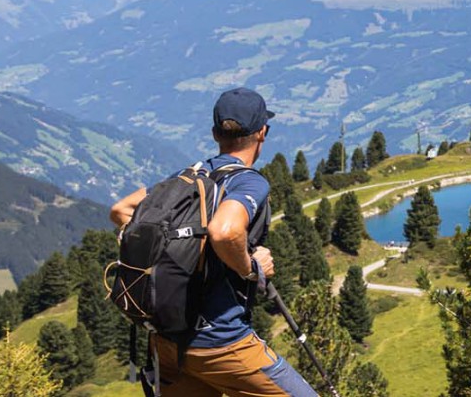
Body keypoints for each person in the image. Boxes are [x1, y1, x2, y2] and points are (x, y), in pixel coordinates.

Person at [109, 87, 318, 397]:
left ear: (215, 133)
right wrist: (252, 268)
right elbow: (225, 231)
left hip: (168, 344)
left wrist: (182, 245)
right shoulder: (248, 181)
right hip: (221, 343)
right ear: (262, 132)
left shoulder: (188, 176)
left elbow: (121, 210)